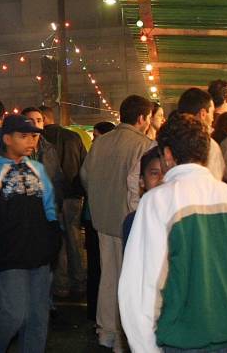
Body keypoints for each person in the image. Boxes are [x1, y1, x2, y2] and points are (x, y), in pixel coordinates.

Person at [119, 112, 227, 352]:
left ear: (167, 154)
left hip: (186, 339)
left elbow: (141, 284)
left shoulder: (158, 200)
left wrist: (144, 347)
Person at [0, 114, 61, 353]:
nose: (31, 141)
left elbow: (50, 209)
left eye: (33, 135)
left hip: (40, 256)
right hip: (10, 256)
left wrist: (53, 243)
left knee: (38, 317)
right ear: (7, 139)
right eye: (23, 136)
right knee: (13, 314)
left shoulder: (38, 169)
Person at [80, 94, 154, 351]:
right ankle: (123, 337)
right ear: (143, 118)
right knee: (128, 279)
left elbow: (85, 175)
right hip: (129, 221)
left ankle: (106, 330)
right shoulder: (145, 145)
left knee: (108, 275)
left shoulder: (100, 142)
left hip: (102, 218)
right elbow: (139, 185)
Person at [38, 104, 87, 303]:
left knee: (58, 242)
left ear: (43, 119)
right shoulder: (73, 137)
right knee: (75, 240)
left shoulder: (41, 141)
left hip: (54, 197)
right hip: (74, 196)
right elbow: (85, 167)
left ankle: (61, 285)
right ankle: (80, 281)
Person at [175, 87, 226, 180]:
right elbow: (213, 182)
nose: (212, 118)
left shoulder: (165, 139)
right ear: (203, 114)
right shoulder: (209, 146)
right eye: (212, 113)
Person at [121, 146, 163, 247]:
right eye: (154, 173)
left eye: (167, 173)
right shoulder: (133, 221)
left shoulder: (184, 219)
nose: (162, 179)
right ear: (142, 181)